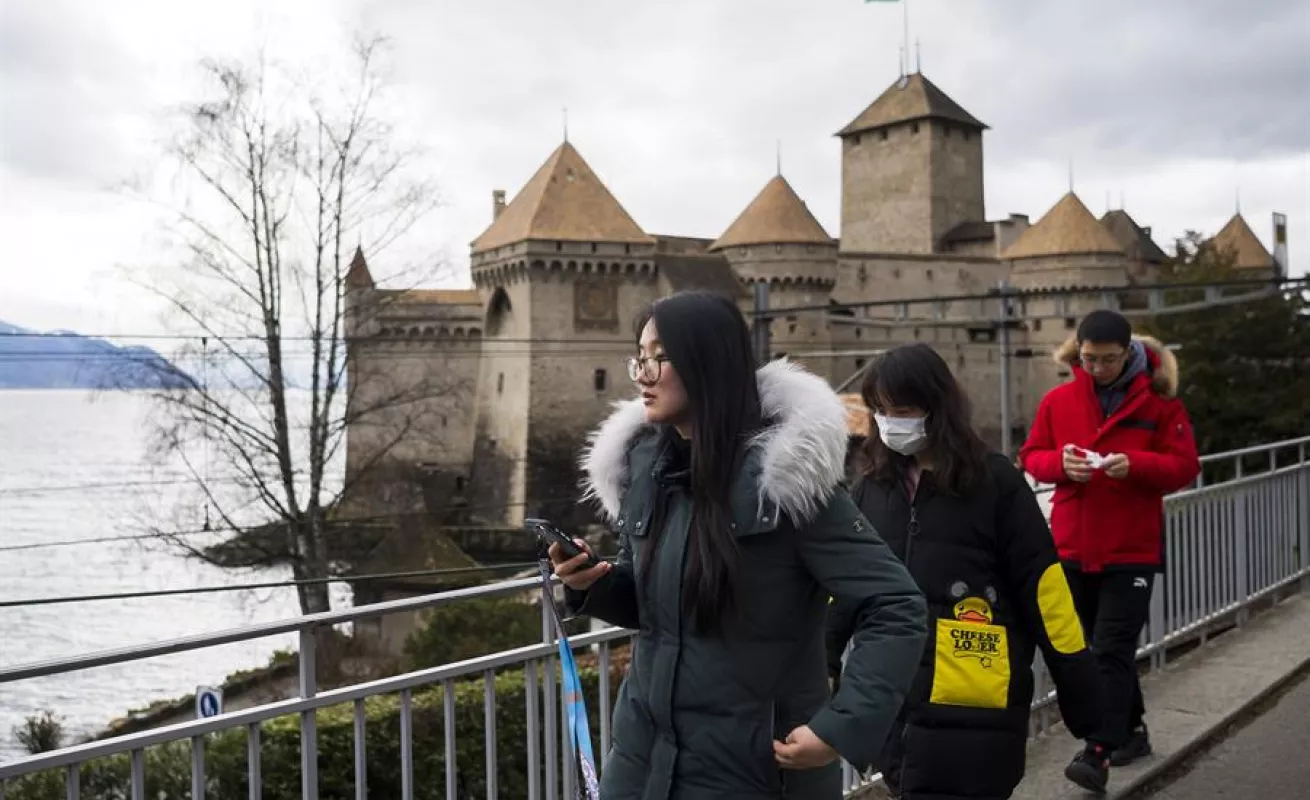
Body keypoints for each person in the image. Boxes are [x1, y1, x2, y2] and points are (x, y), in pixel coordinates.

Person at [550, 290, 928, 799]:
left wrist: (840, 727)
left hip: (752, 771)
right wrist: (591, 584)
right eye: (639, 357)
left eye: (660, 357)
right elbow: (661, 607)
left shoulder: (787, 483)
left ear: (709, 361)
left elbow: (895, 604)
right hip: (641, 762)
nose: (642, 374)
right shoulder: (648, 469)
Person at [826, 343, 1103, 800]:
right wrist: (825, 658)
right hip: (895, 700)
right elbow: (846, 584)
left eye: (903, 410)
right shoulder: (874, 487)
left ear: (937, 407)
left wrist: (1085, 700)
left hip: (975, 700)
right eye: (880, 410)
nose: (890, 422)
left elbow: (1045, 592)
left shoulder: (996, 483)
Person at [1019, 310, 1200, 794]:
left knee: (1111, 648)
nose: (1096, 368)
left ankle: (1097, 751)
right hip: (1075, 543)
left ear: (1129, 355)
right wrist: (1061, 464)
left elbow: (1184, 466)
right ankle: (1132, 732)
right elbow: (1031, 456)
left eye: (1107, 360)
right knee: (1095, 649)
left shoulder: (1160, 406)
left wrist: (1134, 465)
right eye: (1088, 359)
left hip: (1130, 548)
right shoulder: (1059, 400)